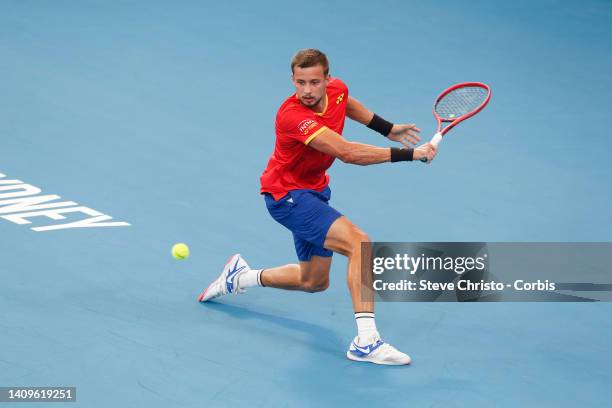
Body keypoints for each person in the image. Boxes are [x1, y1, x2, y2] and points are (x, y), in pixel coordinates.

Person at [198, 48, 437, 365]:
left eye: (314, 82)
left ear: (327, 79)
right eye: (300, 83)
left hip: (313, 190)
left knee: (314, 281)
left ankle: (240, 277)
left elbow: (345, 103)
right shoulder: (292, 117)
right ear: (292, 80)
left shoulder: (336, 90)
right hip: (287, 197)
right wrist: (410, 154)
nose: (307, 91)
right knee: (360, 243)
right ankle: (366, 341)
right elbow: (347, 153)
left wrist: (387, 127)